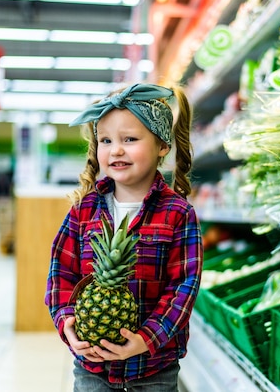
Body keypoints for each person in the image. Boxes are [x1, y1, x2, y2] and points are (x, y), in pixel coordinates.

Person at [45, 83, 203, 391]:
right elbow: (60, 275)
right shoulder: (83, 210)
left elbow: (184, 286)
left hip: (154, 366)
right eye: (106, 140)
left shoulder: (178, 213)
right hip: (92, 367)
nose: (116, 149)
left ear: (162, 146)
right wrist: (67, 324)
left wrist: (146, 339)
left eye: (129, 139)